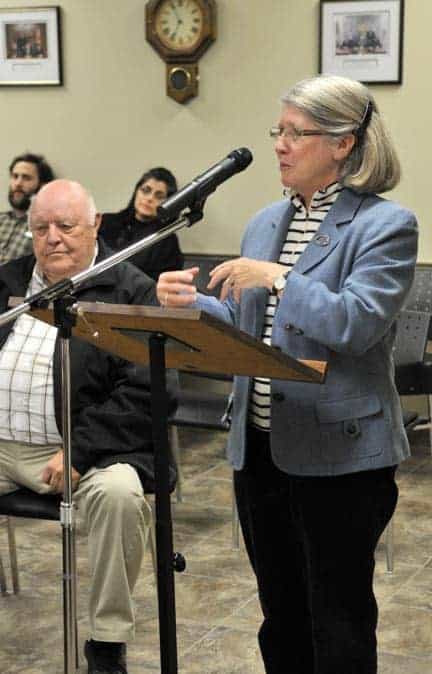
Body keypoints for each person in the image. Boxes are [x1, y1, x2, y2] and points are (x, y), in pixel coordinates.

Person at [156, 75, 418, 674]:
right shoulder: (264, 223)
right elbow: (251, 330)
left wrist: (278, 278)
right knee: (281, 615)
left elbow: (356, 323)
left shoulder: (386, 226)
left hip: (342, 457)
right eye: (279, 130)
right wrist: (190, 306)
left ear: (343, 143)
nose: (280, 144)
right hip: (262, 447)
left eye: (296, 133)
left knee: (339, 617)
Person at [0, 179, 175, 674]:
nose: (52, 237)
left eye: (65, 226)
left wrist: (80, 450)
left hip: (84, 451)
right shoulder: (7, 280)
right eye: (40, 227)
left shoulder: (130, 288)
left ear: (95, 224)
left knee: (121, 496)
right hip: (2, 444)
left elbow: (150, 391)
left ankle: (106, 641)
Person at [99, 167, 184, 281]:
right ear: (136, 192)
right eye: (145, 190)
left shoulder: (166, 240)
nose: (149, 198)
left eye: (158, 196)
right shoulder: (106, 222)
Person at [0, 152, 55, 264]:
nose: (18, 183)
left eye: (26, 178)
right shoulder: (2, 219)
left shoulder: (45, 228)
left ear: (42, 185)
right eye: (15, 176)